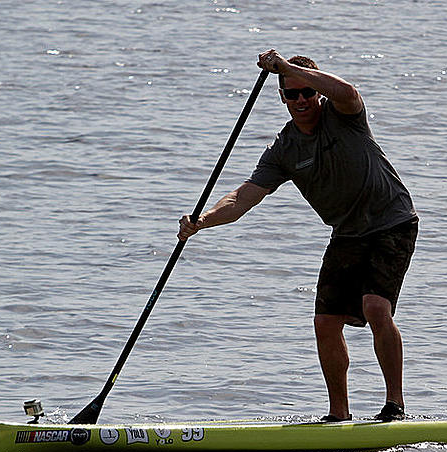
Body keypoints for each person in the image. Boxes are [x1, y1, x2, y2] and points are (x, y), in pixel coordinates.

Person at [178, 49, 418, 422]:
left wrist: (288, 68)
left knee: (374, 307)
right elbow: (243, 198)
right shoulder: (283, 151)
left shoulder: (344, 116)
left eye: (307, 92)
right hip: (347, 232)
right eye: (292, 94)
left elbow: (349, 91)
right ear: (282, 98)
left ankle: (395, 407)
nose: (301, 100)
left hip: (392, 220)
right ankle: (339, 414)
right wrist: (202, 221)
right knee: (325, 321)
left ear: (317, 94)